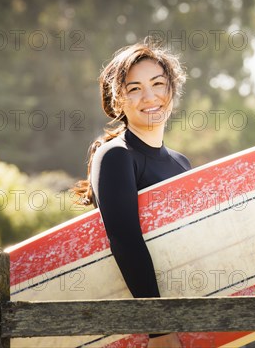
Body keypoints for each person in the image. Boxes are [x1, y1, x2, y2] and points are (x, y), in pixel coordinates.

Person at [73, 40, 189, 348]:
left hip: (186, 314)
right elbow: (125, 242)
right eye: (135, 88)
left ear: (172, 92)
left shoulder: (181, 163)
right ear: (118, 100)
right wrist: (159, 330)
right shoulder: (116, 157)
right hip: (148, 329)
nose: (150, 97)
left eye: (158, 84)